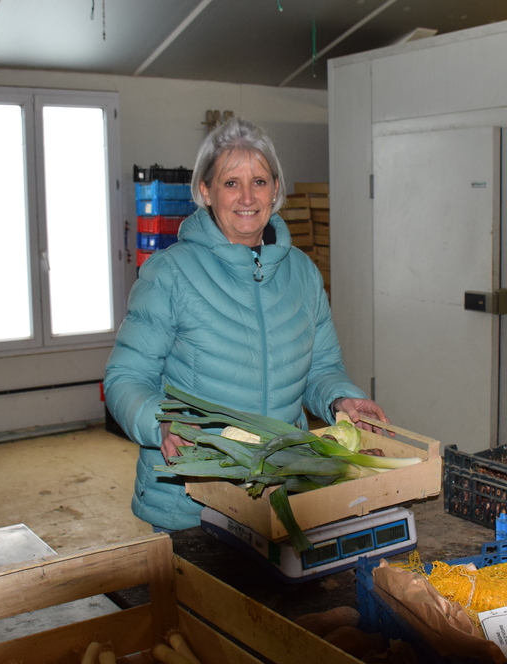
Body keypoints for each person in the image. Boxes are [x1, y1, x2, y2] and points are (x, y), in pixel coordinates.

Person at [104, 117, 388, 531]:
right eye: (231, 182)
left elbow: (319, 368)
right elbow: (124, 378)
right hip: (191, 496)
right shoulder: (170, 274)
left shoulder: (303, 274)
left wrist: (341, 399)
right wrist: (159, 420)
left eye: (259, 181)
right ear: (206, 190)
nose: (247, 196)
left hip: (280, 491)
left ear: (276, 189)